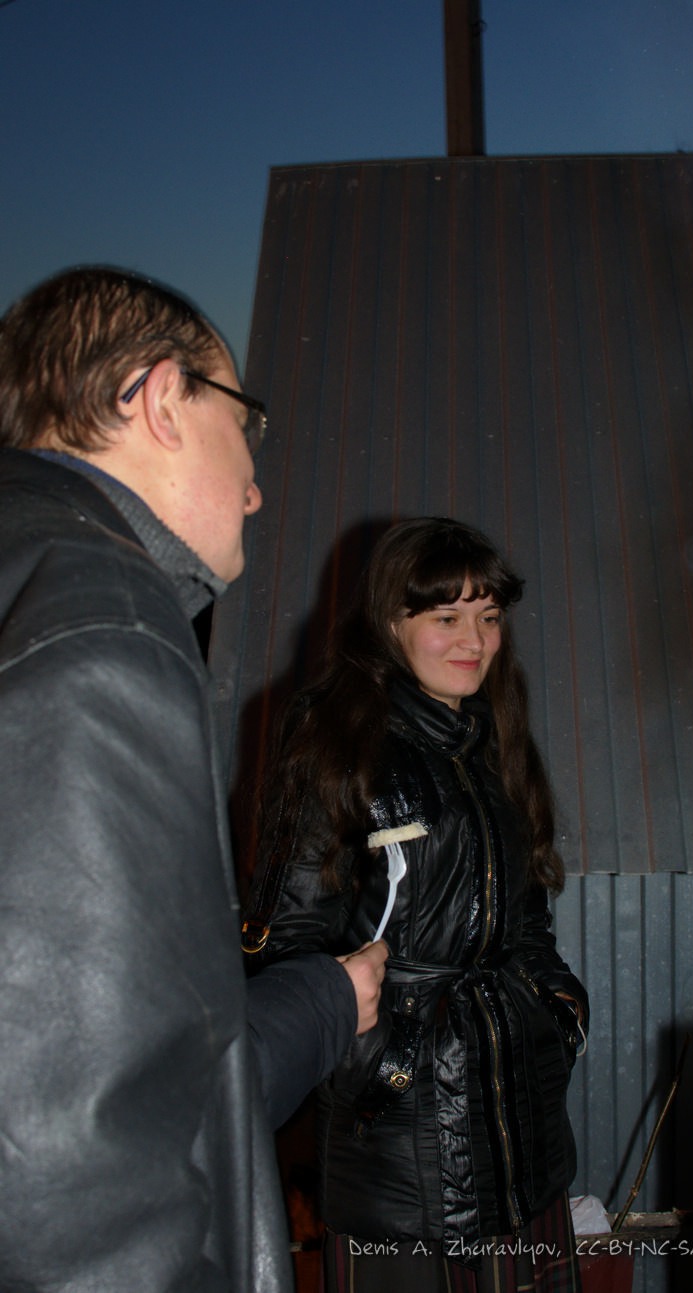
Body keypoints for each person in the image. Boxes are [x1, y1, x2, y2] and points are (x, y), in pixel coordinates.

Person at [0, 266, 387, 1293]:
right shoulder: (104, 620)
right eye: (245, 422)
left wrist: (315, 1001)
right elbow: (80, 1161)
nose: (255, 485)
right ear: (162, 399)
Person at [245, 517, 590, 1293]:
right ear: (389, 623)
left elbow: (526, 919)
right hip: (397, 1147)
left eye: (489, 616)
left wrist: (559, 1012)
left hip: (524, 1128)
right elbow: (283, 944)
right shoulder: (334, 738)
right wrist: (385, 1064)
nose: (475, 639)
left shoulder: (495, 738)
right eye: (446, 616)